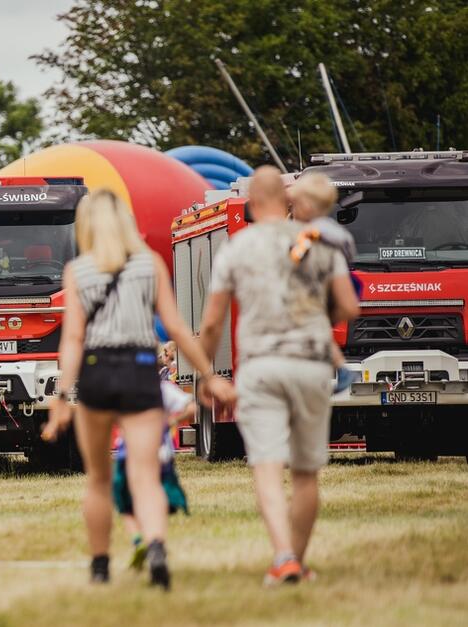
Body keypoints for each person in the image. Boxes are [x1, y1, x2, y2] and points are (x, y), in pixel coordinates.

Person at [41, 189, 236, 588]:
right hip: (141, 368)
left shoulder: (77, 272)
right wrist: (210, 374)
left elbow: (73, 339)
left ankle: (99, 567)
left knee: (97, 477)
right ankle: (157, 545)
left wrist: (61, 396)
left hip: (97, 370)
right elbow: (178, 328)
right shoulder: (149, 266)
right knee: (145, 473)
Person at [199, 166, 360, 586]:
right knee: (306, 473)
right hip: (310, 362)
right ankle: (297, 563)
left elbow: (213, 320)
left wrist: (204, 373)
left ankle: (284, 556)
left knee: (267, 467)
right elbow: (348, 307)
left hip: (260, 365)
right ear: (286, 199)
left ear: (252, 201)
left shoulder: (237, 247)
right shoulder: (319, 242)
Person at [115, 380, 195, 571]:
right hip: (161, 455)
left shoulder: (122, 386)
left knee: (125, 503)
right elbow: (192, 408)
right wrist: (171, 421)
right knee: (157, 498)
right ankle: (156, 542)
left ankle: (138, 540)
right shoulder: (163, 388)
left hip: (129, 453)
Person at [288, 172, 357, 393]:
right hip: (338, 286)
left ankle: (334, 368)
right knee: (320, 329)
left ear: (307, 206)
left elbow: (296, 257)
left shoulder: (310, 234)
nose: (293, 211)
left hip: (313, 289)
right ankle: (340, 367)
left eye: (295, 205)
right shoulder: (335, 230)